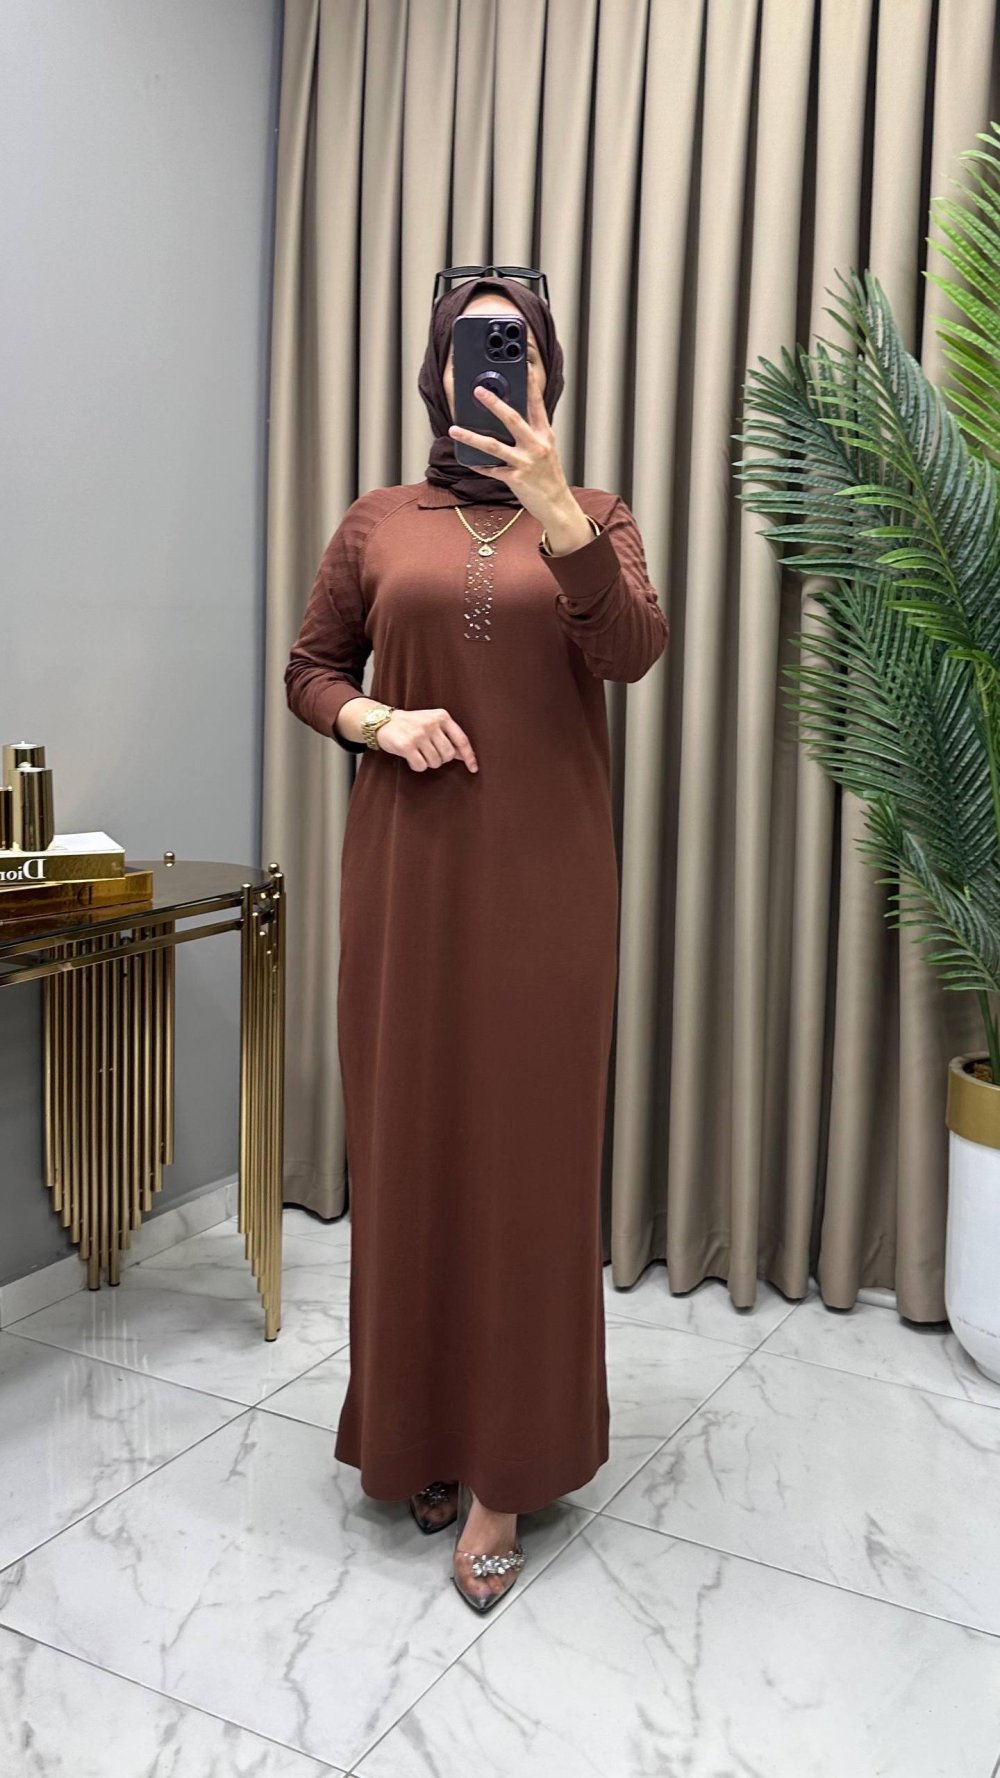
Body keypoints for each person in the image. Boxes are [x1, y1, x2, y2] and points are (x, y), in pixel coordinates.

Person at [284, 271, 669, 1612]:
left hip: (548, 889)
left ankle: (508, 1469)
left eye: (515, 346)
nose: (493, 365)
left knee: (528, 1164)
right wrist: (378, 723)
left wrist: (559, 511)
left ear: (546, 374)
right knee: (414, 1148)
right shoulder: (378, 520)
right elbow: (311, 669)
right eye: (471, 344)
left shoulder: (599, 514)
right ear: (438, 372)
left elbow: (631, 652)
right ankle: (424, 1435)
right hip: (408, 881)